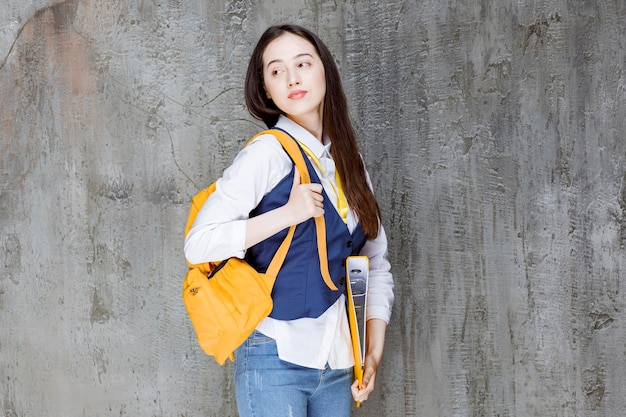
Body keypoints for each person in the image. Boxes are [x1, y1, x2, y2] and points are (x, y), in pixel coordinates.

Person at [184, 24, 394, 417]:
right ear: (266, 88)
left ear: (324, 71)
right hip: (273, 358)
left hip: (338, 364)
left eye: (303, 63)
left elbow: (374, 263)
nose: (293, 77)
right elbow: (198, 243)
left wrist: (372, 353)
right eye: (277, 70)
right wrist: (286, 215)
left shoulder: (349, 162)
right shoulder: (267, 155)